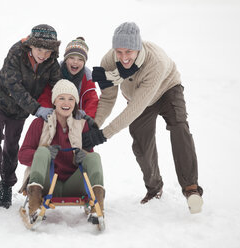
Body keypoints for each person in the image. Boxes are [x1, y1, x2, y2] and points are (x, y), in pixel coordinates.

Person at [83, 22, 203, 214]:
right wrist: (94, 127)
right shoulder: (109, 61)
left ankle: (191, 189)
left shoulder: (155, 62)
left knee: (179, 127)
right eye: (119, 52)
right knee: (141, 141)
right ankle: (154, 188)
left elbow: (136, 108)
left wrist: (105, 135)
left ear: (138, 48)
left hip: (167, 89)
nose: (123, 57)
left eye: (128, 52)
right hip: (136, 96)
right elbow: (107, 98)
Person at [0, 24, 62, 209]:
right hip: (1, 100)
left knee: (11, 144)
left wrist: (64, 106)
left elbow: (57, 85)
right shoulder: (16, 52)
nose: (43, 55)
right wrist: (36, 108)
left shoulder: (51, 63)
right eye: (39, 49)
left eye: (48, 51)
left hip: (20, 111)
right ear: (31, 45)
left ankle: (7, 185)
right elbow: (13, 85)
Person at [18, 79, 105, 219]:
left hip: (74, 184)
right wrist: (45, 154)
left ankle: (98, 207)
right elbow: (22, 156)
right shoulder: (39, 123)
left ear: (75, 103)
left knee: (94, 157)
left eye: (71, 99)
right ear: (54, 101)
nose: (66, 103)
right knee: (42, 151)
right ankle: (34, 206)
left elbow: (90, 160)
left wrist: (83, 155)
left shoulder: (82, 125)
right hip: (46, 183)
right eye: (62, 98)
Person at [37, 37, 99, 118]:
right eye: (71, 58)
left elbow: (92, 101)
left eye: (80, 59)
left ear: (84, 63)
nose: (75, 62)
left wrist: (86, 118)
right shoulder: (55, 72)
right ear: (66, 59)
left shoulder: (87, 78)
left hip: (76, 119)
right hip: (54, 115)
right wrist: (48, 112)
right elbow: (46, 94)